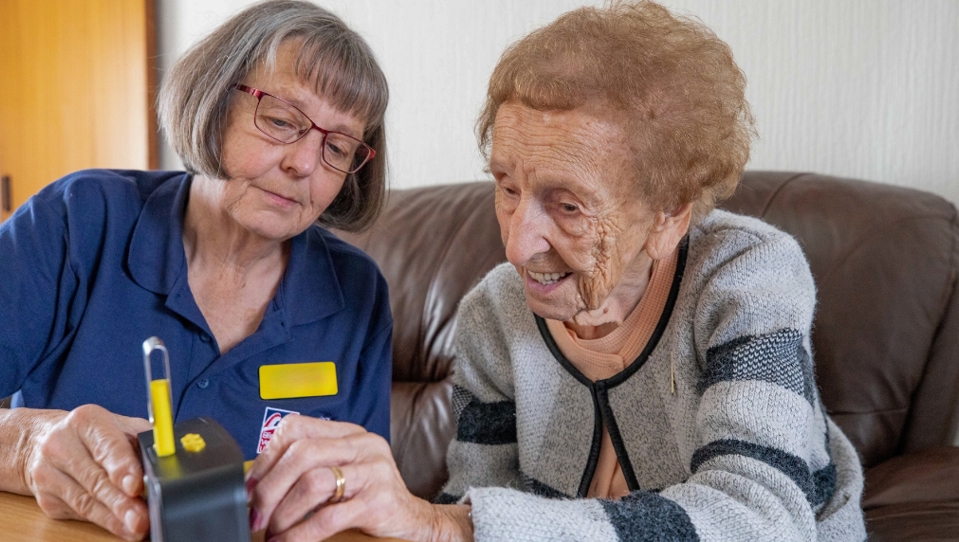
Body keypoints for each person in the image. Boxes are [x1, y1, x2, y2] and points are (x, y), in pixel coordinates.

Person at [248, 1, 868, 541]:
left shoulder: (744, 278)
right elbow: (475, 496)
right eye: (508, 188)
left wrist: (450, 526)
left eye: (568, 206)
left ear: (668, 214)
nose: (518, 246)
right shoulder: (495, 313)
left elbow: (762, 519)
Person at [0, 1, 392, 540]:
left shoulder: (358, 294)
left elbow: (360, 504)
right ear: (214, 99)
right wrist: (25, 445)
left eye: (337, 147)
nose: (303, 163)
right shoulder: (77, 219)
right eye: (281, 121)